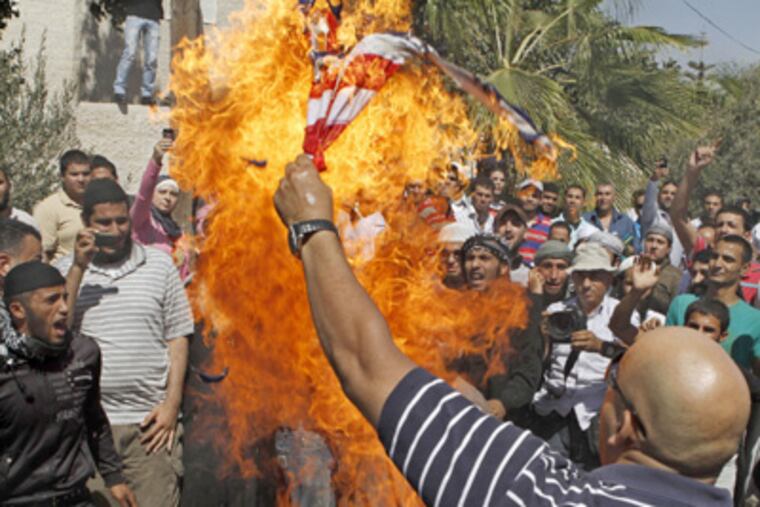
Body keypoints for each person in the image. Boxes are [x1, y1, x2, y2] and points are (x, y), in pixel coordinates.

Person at [273, 155, 747, 505]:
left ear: (625, 424)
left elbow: (364, 363)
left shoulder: (543, 495)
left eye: (613, 385)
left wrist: (312, 225)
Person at [55, 179, 193, 506]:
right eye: (104, 222)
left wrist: (171, 406)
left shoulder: (159, 265)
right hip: (88, 429)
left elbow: (177, 336)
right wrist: (78, 266)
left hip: (150, 427)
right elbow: (56, 326)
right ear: (87, 224)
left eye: (122, 220)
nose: (116, 230)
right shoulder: (66, 270)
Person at [0, 261, 136, 506]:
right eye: (51, 300)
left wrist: (113, 476)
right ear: (18, 310)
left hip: (75, 498)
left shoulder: (84, 352)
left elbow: (94, 418)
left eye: (65, 297)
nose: (64, 308)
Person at [530, 242, 634, 469]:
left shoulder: (622, 316)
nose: (586, 284)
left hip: (596, 415)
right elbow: (540, 363)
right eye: (580, 277)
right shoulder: (558, 311)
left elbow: (635, 360)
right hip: (554, 412)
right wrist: (542, 338)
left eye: (594, 276)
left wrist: (601, 347)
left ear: (608, 279)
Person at [666, 235, 760, 375]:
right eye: (714, 256)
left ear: (744, 269)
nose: (717, 264)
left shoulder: (756, 321)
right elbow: (665, 354)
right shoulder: (681, 304)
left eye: (728, 259)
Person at [33, 149, 92, 262]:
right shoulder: (48, 208)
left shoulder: (98, 202)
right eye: (74, 174)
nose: (81, 179)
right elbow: (43, 253)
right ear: (62, 176)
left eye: (86, 174)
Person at [113, 0, 163, 105]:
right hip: (134, 14)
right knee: (130, 53)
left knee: (152, 59)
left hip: (154, 17)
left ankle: (146, 94)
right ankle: (119, 90)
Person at [640, 157, 683, 267]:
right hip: (648, 268)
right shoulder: (652, 217)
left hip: (672, 277)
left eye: (673, 194)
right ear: (659, 195)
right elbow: (649, 202)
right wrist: (654, 180)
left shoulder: (683, 223)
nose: (669, 196)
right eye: (665, 192)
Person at [637, 224, 682, 315]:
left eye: (660, 242)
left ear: (669, 249)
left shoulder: (675, 276)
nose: (654, 246)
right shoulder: (633, 266)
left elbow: (675, 310)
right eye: (650, 240)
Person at [583, 182, 638, 254]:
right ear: (595, 196)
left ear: (614, 197)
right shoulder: (584, 220)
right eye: (600, 194)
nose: (603, 198)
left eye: (607, 194)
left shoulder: (626, 222)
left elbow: (636, 249)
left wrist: (621, 246)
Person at [516, 179, 552, 266]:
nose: (529, 199)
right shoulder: (509, 221)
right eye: (526, 194)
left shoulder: (549, 225)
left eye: (534, 196)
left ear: (540, 201)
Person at [527, 240, 572, 308]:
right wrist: (536, 295)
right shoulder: (520, 299)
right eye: (547, 266)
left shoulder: (579, 302)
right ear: (536, 270)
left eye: (561, 267)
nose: (553, 276)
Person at [493, 204, 529, 285]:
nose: (508, 229)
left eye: (515, 223)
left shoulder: (529, 277)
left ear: (525, 232)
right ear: (494, 230)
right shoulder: (482, 269)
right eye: (502, 223)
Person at [553, 183, 597, 248]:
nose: (573, 201)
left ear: (584, 202)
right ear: (564, 200)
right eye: (570, 196)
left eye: (577, 198)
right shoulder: (551, 225)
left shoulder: (591, 232)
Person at [437, 222, 476, 289]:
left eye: (458, 254)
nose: (450, 260)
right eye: (445, 254)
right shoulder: (422, 293)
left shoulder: (488, 295)